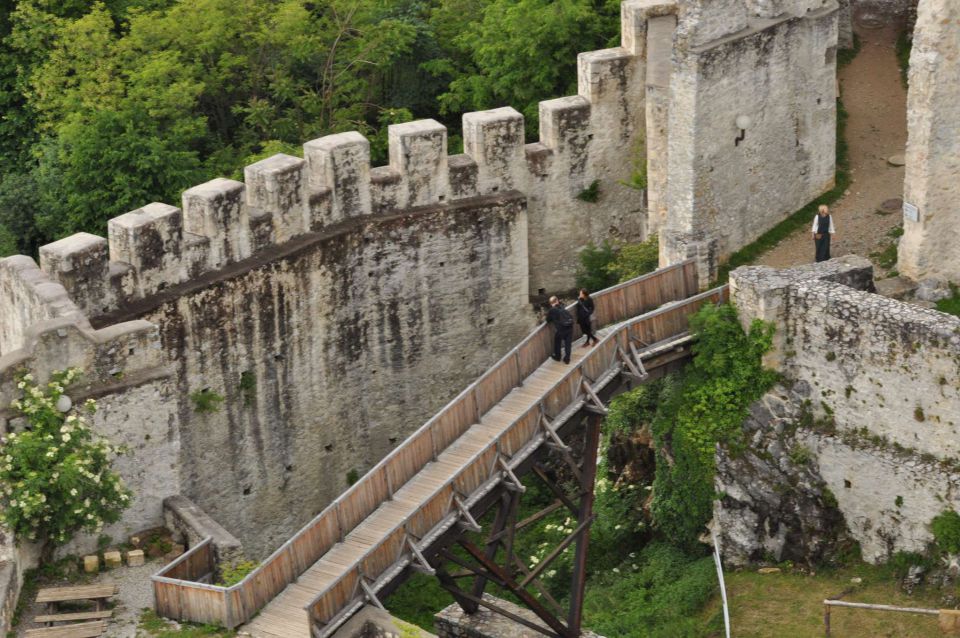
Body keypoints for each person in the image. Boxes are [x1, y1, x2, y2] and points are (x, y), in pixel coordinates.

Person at [546, 296, 574, 364]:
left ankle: (558, 357)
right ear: (557, 301)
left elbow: (548, 320)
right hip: (569, 327)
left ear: (551, 303)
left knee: (557, 341)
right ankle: (567, 359)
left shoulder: (552, 310)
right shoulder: (562, 306)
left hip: (561, 330)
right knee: (568, 344)